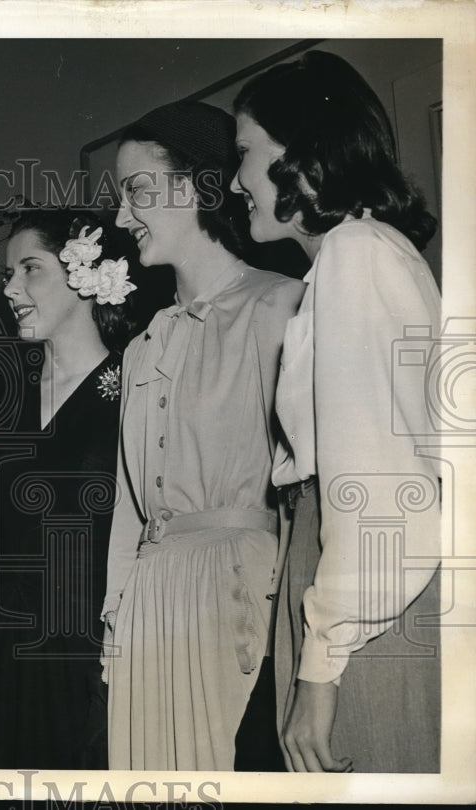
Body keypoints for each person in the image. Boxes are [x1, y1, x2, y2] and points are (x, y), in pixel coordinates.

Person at [231, 50, 442, 773]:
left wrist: (320, 667)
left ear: (305, 160)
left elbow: (381, 494)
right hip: (344, 592)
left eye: (246, 155)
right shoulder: (363, 257)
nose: (236, 182)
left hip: (362, 612)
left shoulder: (356, 255)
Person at [102, 101, 305, 770]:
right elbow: (131, 516)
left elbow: (309, 498)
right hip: (152, 605)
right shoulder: (143, 347)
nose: (122, 216)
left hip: (241, 595)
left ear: (193, 186)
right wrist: (118, 613)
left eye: (135, 191)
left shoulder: (280, 307)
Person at [0, 207, 138, 769]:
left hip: (90, 655)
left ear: (84, 274)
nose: (10, 288)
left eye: (29, 269)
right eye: (9, 273)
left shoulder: (137, 389)